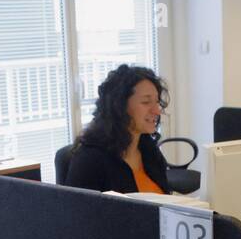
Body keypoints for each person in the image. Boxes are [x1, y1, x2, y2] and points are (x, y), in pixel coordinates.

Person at [64, 64, 170, 193]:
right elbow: (79, 211)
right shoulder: (89, 160)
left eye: (157, 102)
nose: (157, 111)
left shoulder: (148, 149)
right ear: (119, 106)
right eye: (146, 102)